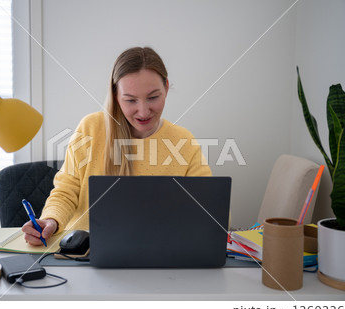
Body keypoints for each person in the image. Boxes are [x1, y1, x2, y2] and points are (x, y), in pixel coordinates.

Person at [22, 47, 212, 245]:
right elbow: (66, 191)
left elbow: (211, 209)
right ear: (115, 95)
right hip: (86, 252)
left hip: (161, 250)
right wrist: (51, 220)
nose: (143, 111)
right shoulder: (90, 128)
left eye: (153, 97)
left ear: (166, 87)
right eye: (130, 100)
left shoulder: (184, 141)